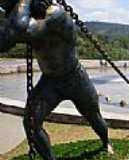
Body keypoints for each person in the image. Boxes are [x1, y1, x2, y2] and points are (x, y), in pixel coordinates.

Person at [0, 0, 113, 159]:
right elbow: (4, 41)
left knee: (93, 115)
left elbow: (21, 30)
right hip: (51, 80)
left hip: (74, 77)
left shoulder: (56, 14)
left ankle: (106, 141)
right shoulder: (32, 16)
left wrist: (23, 1)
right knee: (31, 122)